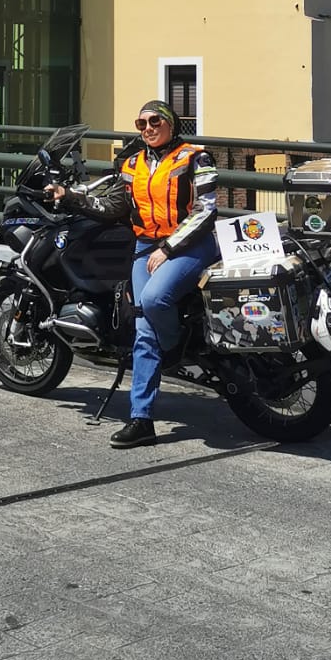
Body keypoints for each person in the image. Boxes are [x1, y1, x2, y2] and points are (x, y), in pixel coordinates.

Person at [48, 99, 218, 448]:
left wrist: (168, 248)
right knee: (143, 328)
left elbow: (205, 210)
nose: (149, 128)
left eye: (156, 120)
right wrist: (70, 197)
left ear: (171, 123)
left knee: (155, 300)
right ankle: (142, 420)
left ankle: (173, 347)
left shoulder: (196, 158)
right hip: (145, 247)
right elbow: (115, 205)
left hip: (190, 246)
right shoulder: (132, 163)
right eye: (141, 124)